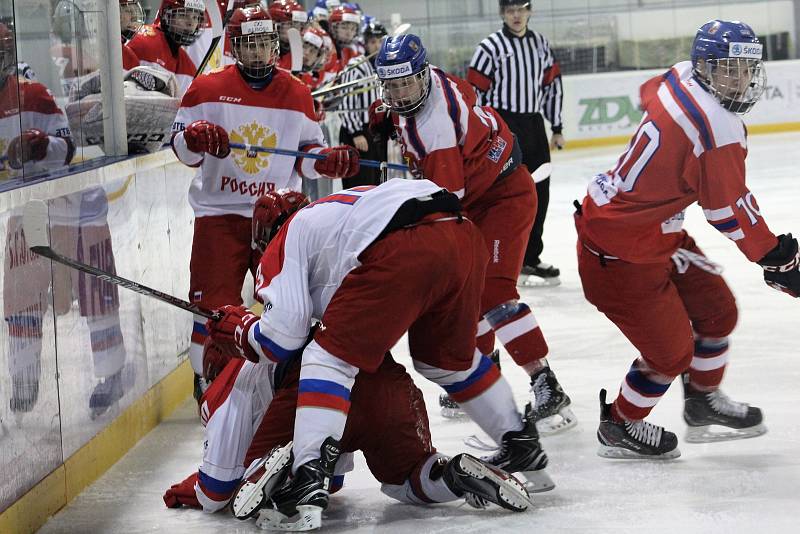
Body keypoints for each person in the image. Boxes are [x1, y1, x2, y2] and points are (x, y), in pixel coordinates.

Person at [201, 179, 554, 516]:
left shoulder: (288, 237)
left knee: (327, 358)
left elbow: (280, 339)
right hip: (461, 232)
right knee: (447, 362)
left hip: (403, 244)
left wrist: (238, 328)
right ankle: (520, 442)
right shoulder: (333, 221)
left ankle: (308, 475)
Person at [575, 19, 800, 460]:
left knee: (718, 313)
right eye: (726, 69)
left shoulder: (678, 74)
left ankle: (700, 403)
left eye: (745, 68)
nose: (739, 79)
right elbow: (727, 211)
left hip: (654, 232)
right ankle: (619, 425)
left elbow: (647, 92)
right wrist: (775, 258)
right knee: (669, 355)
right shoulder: (717, 127)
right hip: (617, 252)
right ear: (704, 67)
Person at [370, 34, 575, 435]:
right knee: (467, 288)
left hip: (503, 197)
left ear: (422, 75)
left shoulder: (436, 125)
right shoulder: (429, 85)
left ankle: (545, 381)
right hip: (482, 191)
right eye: (391, 86)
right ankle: (486, 369)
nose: (400, 93)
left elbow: (446, 200)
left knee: (494, 292)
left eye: (406, 83)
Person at [169, 5, 360, 402]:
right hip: (219, 215)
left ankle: (294, 380)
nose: (258, 52)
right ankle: (209, 382)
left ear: (276, 46)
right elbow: (182, 150)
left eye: (265, 43)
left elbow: (307, 154)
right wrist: (195, 139)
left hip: (276, 218)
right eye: (250, 44)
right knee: (212, 308)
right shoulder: (205, 89)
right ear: (235, 47)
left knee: (292, 302)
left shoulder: (297, 93)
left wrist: (325, 159)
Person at [468, 0, 565, 287]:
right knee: (504, 195)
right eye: (510, 10)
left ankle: (530, 257)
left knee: (539, 193)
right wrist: (481, 134)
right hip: (503, 128)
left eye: (521, 9)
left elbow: (552, 84)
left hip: (534, 126)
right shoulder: (490, 47)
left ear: (530, 11)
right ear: (502, 13)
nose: (516, 15)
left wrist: (556, 126)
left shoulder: (541, 45)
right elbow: (473, 94)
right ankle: (499, 258)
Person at [338, 20, 386, 188]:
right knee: (360, 184)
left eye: (381, 41)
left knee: (376, 183)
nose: (378, 46)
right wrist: (356, 132)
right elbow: (346, 101)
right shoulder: (356, 66)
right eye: (373, 42)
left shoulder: (381, 68)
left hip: (374, 133)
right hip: (358, 133)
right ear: (365, 44)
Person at [128, 0, 205, 95]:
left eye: (195, 17)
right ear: (166, 16)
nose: (191, 23)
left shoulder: (189, 67)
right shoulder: (143, 43)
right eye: (183, 15)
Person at [268, 0, 309, 71]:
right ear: (276, 25)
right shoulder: (263, 52)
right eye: (292, 24)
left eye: (299, 24)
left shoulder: (297, 50)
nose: (297, 30)